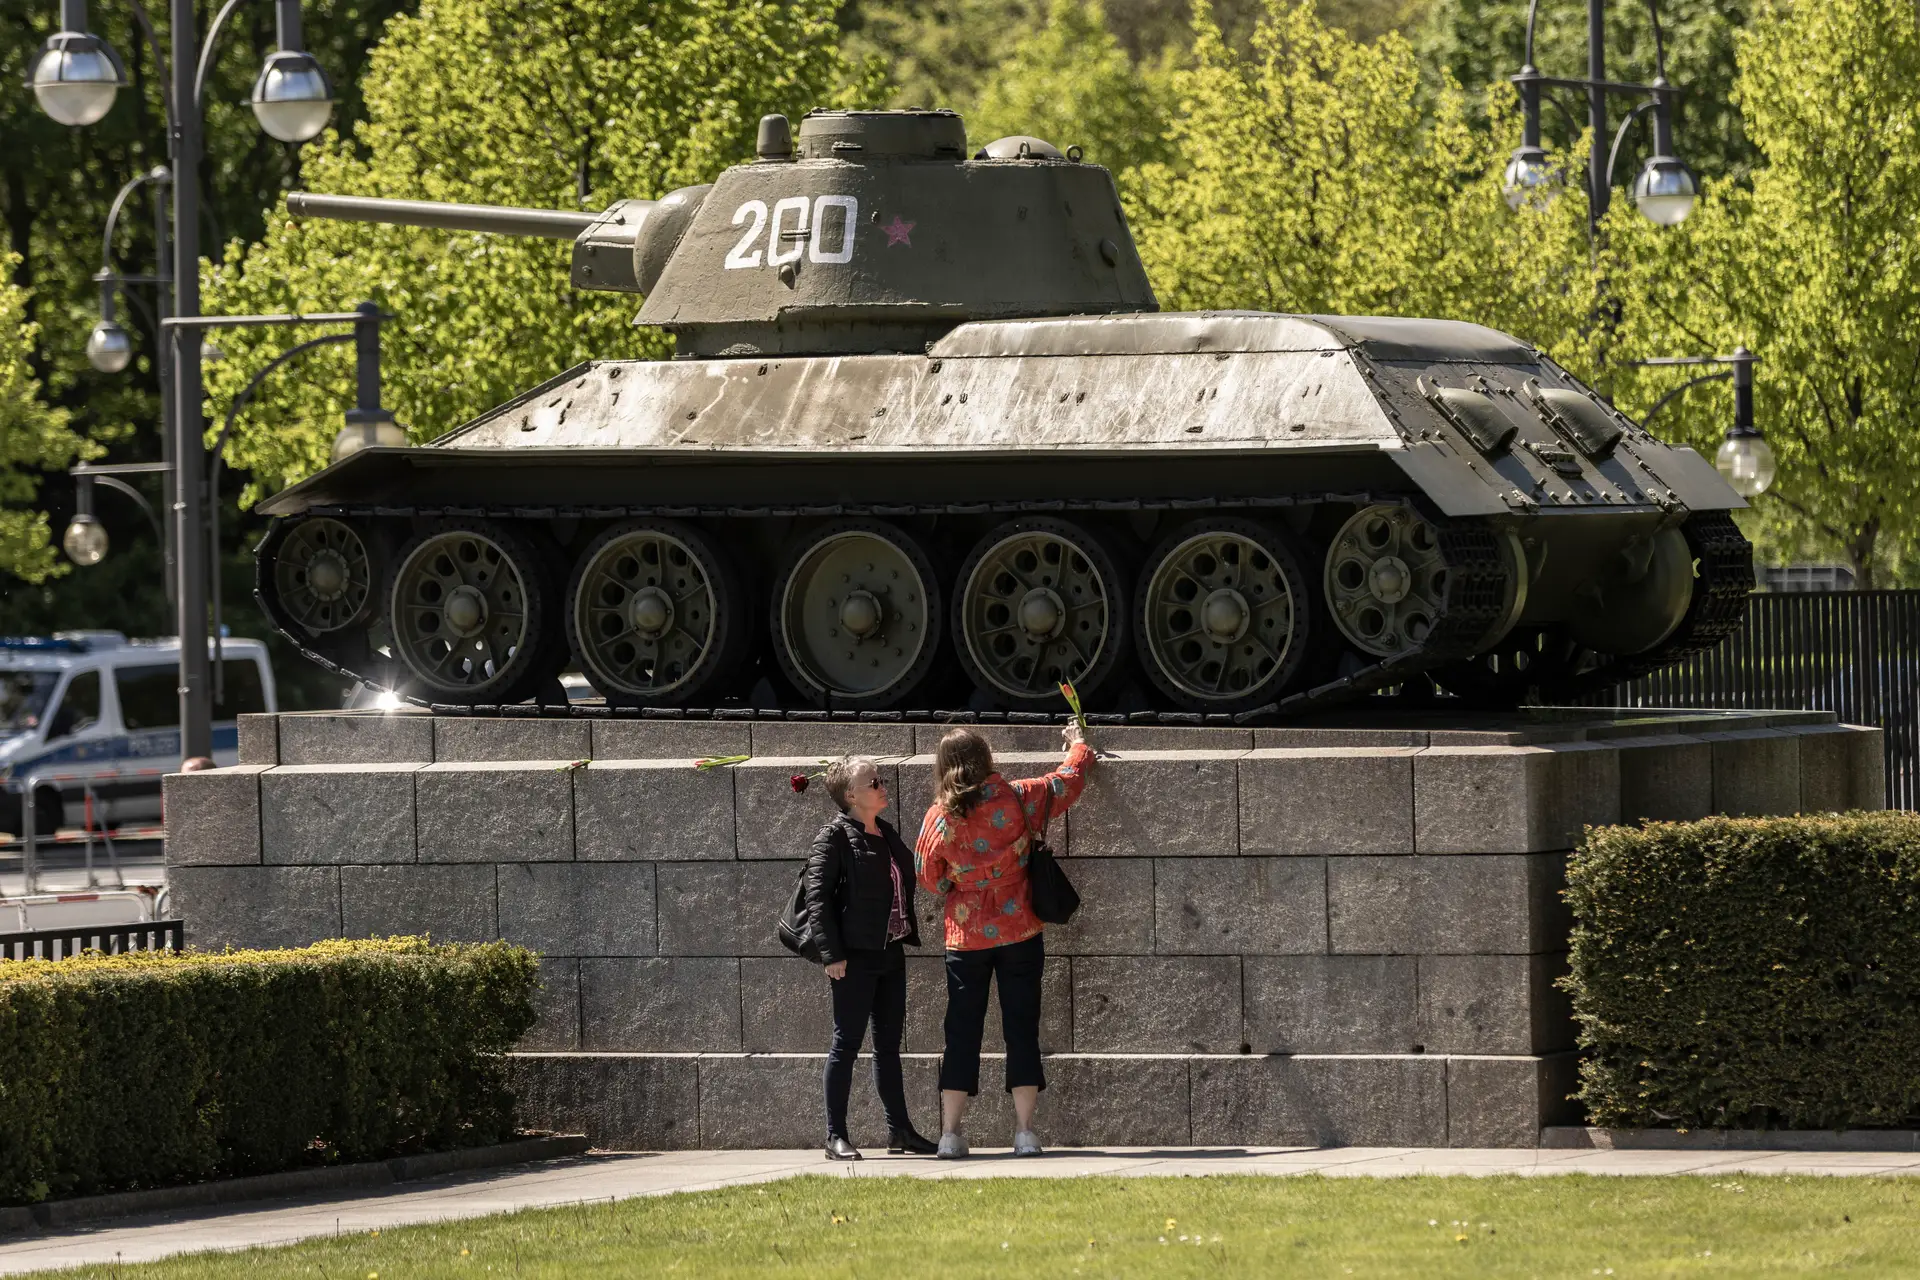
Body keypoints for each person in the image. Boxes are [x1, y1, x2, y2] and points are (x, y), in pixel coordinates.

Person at [915, 721, 1093, 1158]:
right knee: (1021, 1029)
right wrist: (1079, 745)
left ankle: (951, 1135)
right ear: (987, 758)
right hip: (1021, 931)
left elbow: (928, 876)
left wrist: (961, 886)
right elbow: (1065, 783)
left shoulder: (939, 815)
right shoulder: (1018, 797)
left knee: (961, 1032)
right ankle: (1025, 1132)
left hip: (965, 937)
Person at [803, 755, 938, 1161]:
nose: (882, 786)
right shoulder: (834, 837)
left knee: (888, 1046)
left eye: (879, 780)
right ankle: (835, 1136)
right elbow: (817, 898)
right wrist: (831, 954)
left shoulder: (887, 832)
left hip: (890, 952)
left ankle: (899, 1131)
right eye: (873, 782)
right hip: (854, 958)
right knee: (846, 1044)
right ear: (850, 795)